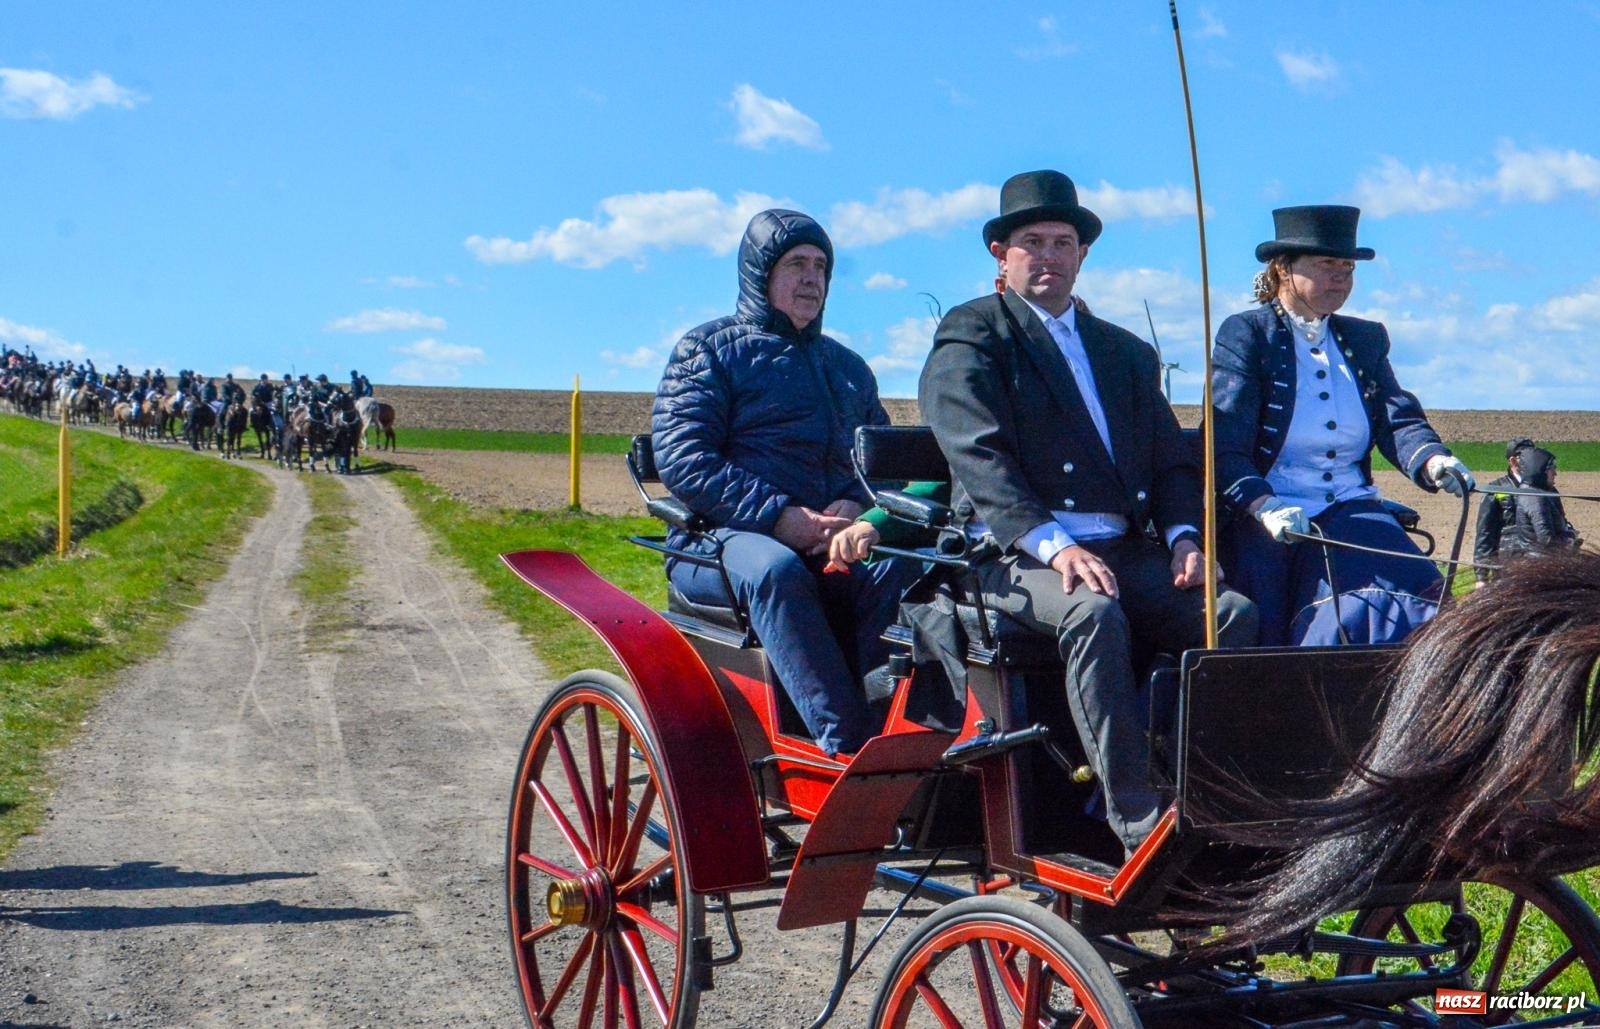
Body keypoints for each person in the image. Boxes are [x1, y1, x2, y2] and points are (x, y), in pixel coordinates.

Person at [919, 170, 1258, 851]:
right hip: (1012, 556)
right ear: (1001, 254)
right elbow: (977, 453)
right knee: (1091, 610)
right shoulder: (974, 335)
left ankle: (1201, 791)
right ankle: (1133, 814)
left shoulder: (1126, 354)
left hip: (1124, 549)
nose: (1048, 256)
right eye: (1032, 242)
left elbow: (1170, 461)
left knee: (1232, 614)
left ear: (1081, 254)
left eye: (1062, 242)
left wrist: (1186, 537)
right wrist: (1053, 545)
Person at [652, 209, 917, 758]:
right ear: (759, 273)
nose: (811, 278)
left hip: (834, 536)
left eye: (821, 266)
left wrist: (854, 504)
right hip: (718, 540)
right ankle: (845, 749)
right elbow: (683, 458)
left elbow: (880, 461)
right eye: (796, 263)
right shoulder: (707, 351)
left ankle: (893, 732)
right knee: (778, 570)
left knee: (907, 567)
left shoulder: (848, 367)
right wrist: (781, 518)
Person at [1212, 205, 1474, 647]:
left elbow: (1397, 416)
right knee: (1273, 622)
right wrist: (1263, 504)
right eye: (1327, 265)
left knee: (1425, 598)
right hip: (1272, 516)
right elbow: (1223, 444)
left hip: (1351, 507)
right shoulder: (1246, 334)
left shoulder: (1364, 338)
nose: (1341, 278)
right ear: (1282, 269)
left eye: (1348, 268)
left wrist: (1432, 458)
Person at [1473, 437, 1536, 583]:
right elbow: (1485, 533)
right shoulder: (1497, 488)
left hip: (1538, 562)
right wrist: (1481, 576)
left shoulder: (1544, 488)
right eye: (1526, 456)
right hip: (1506, 565)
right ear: (1513, 461)